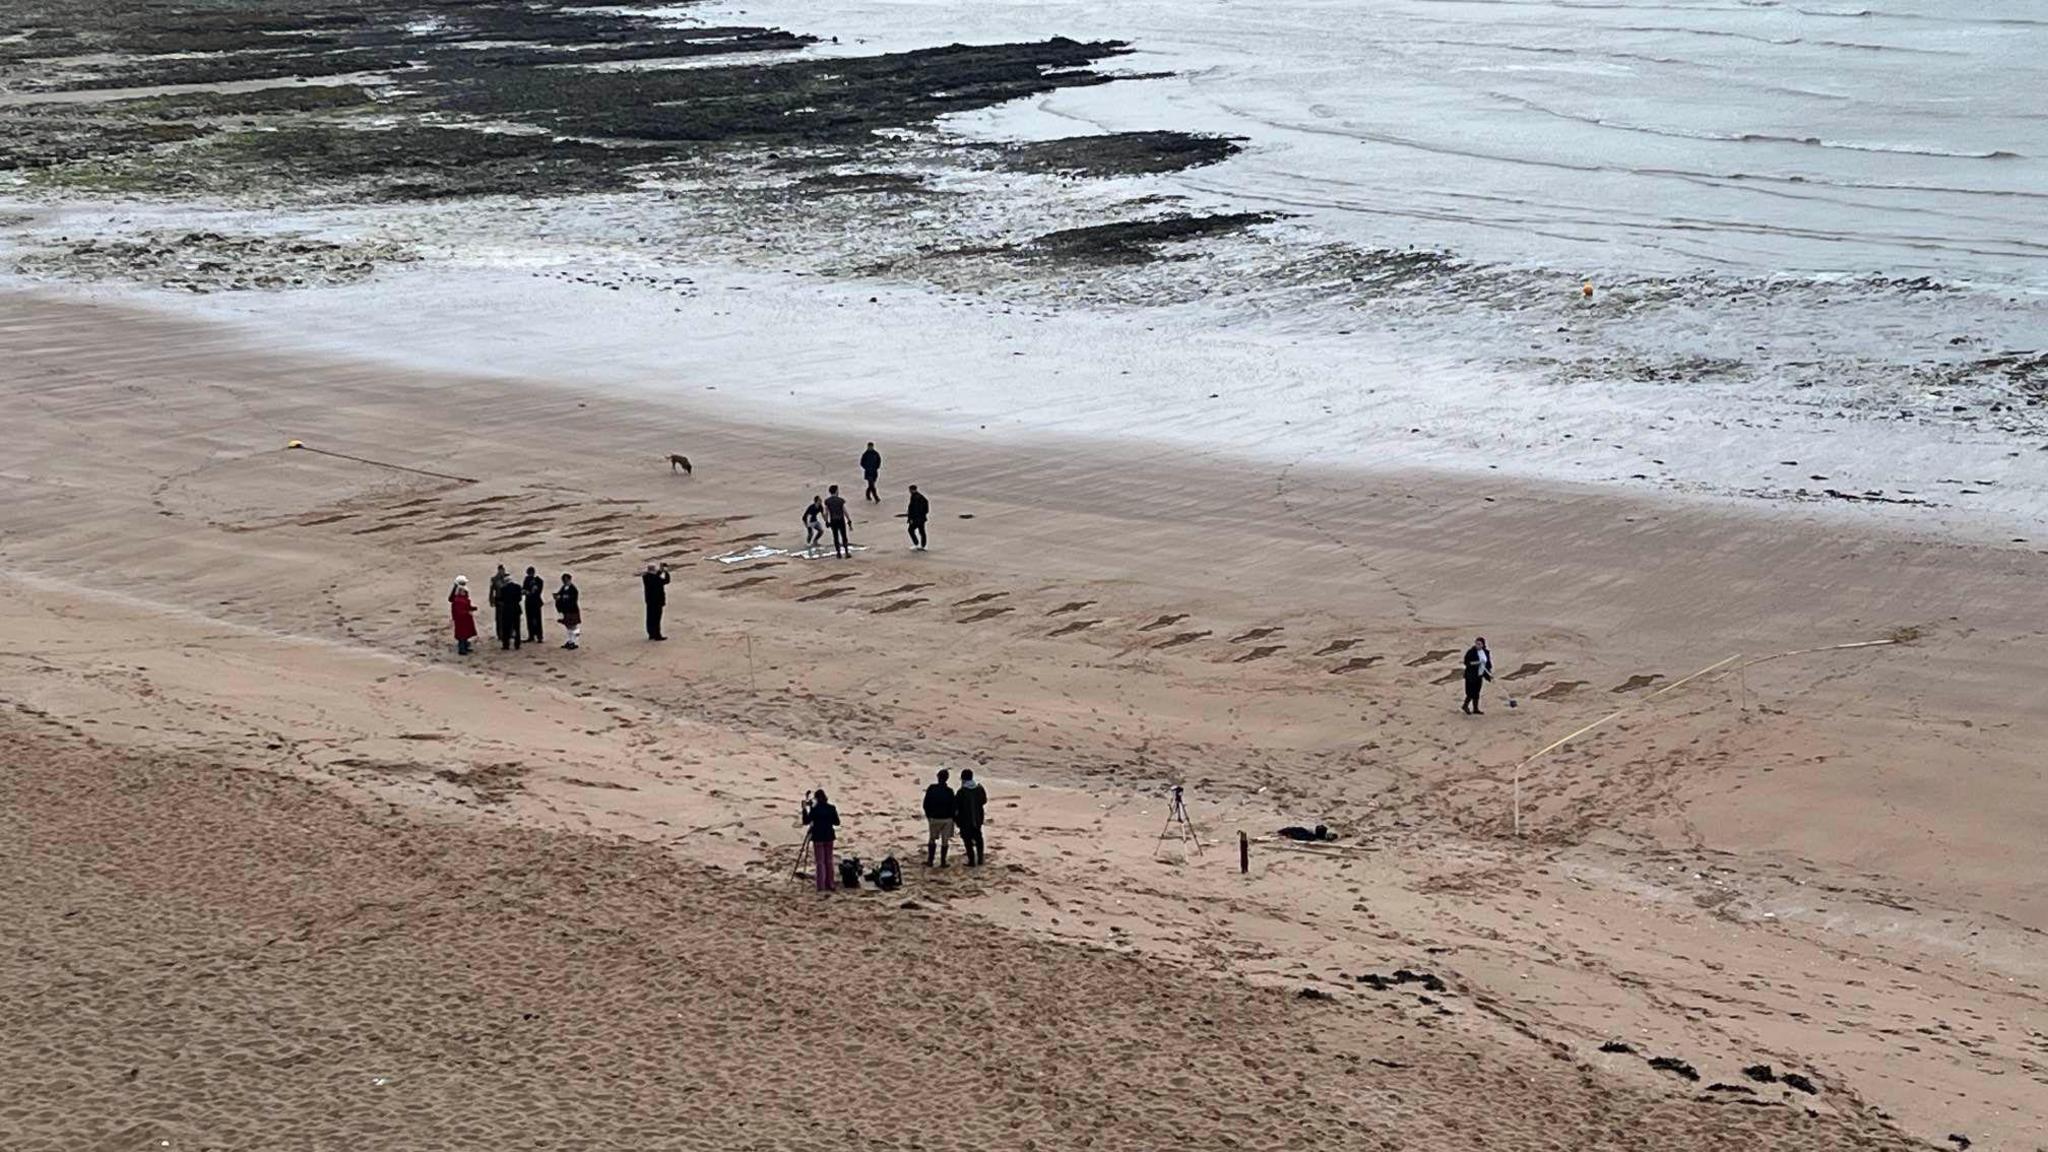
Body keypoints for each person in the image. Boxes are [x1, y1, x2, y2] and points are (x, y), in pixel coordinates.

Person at [805, 788, 841, 892]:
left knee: (820, 862)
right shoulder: (831, 808)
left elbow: (806, 821)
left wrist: (805, 810)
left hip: (818, 837)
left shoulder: (815, 810)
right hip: (829, 836)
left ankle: (821, 885)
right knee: (829, 861)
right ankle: (830, 883)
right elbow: (837, 822)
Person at [922, 768, 956, 867]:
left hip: (934, 817)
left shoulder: (932, 788)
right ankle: (943, 862)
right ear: (947, 779)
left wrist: (929, 815)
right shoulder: (949, 791)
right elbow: (953, 806)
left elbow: (926, 804)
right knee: (945, 841)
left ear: (938, 777)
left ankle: (930, 860)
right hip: (947, 819)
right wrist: (953, 818)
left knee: (932, 839)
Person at [954, 767, 987, 866]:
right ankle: (980, 858)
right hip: (977, 819)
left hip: (965, 821)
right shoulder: (979, 789)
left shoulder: (961, 792)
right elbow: (984, 801)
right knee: (978, 838)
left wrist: (956, 820)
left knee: (967, 840)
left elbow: (956, 807)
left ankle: (972, 860)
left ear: (963, 779)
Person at [490, 564, 522, 651]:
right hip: (514, 608)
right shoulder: (517, 587)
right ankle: (515, 643)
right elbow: (519, 598)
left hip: (506, 607)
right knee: (511, 625)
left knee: (506, 625)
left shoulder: (504, 588)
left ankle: (506, 642)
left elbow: (501, 597)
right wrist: (492, 600)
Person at [1462, 636, 1493, 714]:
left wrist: (1489, 674)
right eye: (1476, 644)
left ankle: (1475, 709)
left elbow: (1488, 664)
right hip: (1471, 676)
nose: (1477, 645)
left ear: (1483, 645)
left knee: (1477, 693)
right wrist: (1477, 663)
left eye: (1479, 644)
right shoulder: (1471, 652)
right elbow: (1467, 663)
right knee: (1470, 693)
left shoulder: (1486, 652)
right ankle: (1465, 706)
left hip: (1479, 675)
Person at [448, 575, 477, 656]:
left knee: (464, 633)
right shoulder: (458, 596)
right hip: (461, 618)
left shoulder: (459, 593)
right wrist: (467, 611)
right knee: (462, 633)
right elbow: (458, 608)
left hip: (463, 617)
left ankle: (464, 646)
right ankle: (462, 648)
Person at [641, 562, 670, 641]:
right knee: (656, 619)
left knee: (650, 618)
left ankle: (651, 634)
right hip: (657, 601)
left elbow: (655, 575)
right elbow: (666, 581)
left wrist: (661, 570)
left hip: (650, 601)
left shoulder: (646, 577)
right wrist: (666, 572)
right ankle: (657, 635)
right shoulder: (655, 579)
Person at [554, 573, 582, 650]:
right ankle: (570, 641)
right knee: (568, 626)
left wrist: (563, 598)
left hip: (572, 610)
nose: (565, 581)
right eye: (564, 580)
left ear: (569, 579)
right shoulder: (563, 588)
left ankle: (575, 642)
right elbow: (560, 596)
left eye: (566, 580)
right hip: (566, 610)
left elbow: (573, 600)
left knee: (574, 626)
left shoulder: (573, 589)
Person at [823, 484, 851, 559]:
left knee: (835, 537)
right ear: (836, 491)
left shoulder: (827, 501)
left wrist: (826, 521)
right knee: (844, 536)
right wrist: (848, 520)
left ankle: (838, 553)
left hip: (833, 520)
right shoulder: (840, 500)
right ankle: (846, 552)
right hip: (841, 519)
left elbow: (826, 513)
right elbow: (844, 511)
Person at [521, 566, 545, 644]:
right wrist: (525, 591)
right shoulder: (527, 579)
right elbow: (523, 589)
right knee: (530, 619)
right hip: (530, 601)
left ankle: (538, 636)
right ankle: (532, 636)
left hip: (535, 601)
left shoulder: (538, 580)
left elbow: (538, 590)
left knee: (537, 619)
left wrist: (529, 591)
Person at [905, 484, 929, 551]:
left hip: (917, 519)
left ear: (912, 490)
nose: (909, 491)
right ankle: (923, 545)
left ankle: (917, 543)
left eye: (910, 490)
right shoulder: (920, 497)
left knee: (911, 530)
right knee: (922, 531)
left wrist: (911, 518)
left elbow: (914, 509)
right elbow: (926, 506)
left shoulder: (915, 497)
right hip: (921, 518)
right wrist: (924, 513)